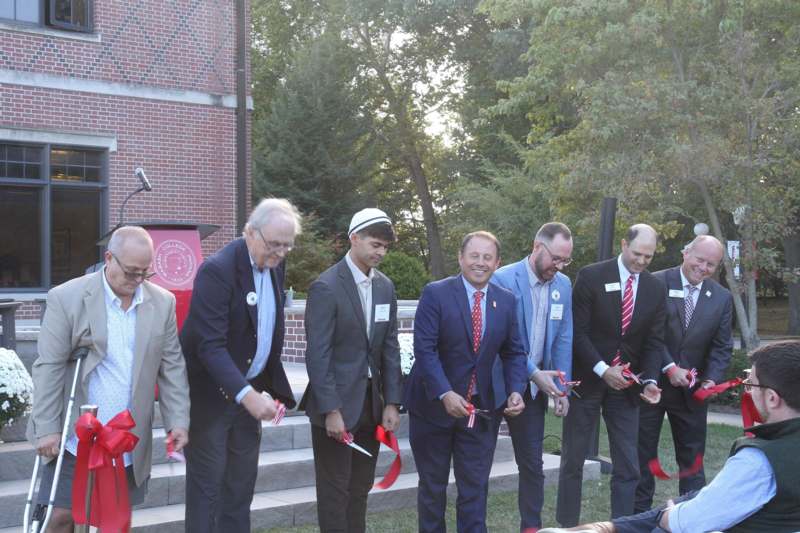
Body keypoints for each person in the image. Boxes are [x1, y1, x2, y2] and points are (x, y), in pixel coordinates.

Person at [541, 340, 800, 533]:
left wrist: (669, 515)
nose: (747, 392)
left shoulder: (759, 462)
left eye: (750, 385)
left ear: (772, 398)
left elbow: (684, 522)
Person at [28, 225, 190, 533]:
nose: (137, 280)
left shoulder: (162, 302)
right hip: (75, 434)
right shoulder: (66, 298)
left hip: (125, 436)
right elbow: (48, 365)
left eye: (145, 273)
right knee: (61, 516)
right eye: (131, 272)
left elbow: (172, 368)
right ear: (109, 259)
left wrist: (177, 420)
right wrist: (47, 427)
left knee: (114, 521)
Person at [181, 198, 301, 533]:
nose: (279, 253)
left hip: (250, 395)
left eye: (286, 246)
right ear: (249, 232)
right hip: (211, 400)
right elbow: (210, 346)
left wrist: (265, 388)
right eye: (273, 244)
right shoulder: (217, 271)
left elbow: (259, 333)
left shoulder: (275, 265)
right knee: (208, 494)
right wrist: (246, 394)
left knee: (239, 491)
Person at [404, 230, 529, 533]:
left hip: (480, 412)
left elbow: (514, 351)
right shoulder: (436, 293)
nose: (480, 263)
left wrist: (515, 390)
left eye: (488, 257)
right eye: (474, 255)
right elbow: (425, 349)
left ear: (497, 262)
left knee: (475, 490)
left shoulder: (507, 301)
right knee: (433, 489)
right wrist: (445, 392)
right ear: (461, 258)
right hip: (433, 410)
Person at [299, 208, 403, 533]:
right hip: (337, 409)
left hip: (371, 407)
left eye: (385, 247)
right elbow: (318, 355)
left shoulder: (385, 287)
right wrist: (331, 409)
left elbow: (389, 347)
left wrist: (392, 402)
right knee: (334, 492)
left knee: (360, 488)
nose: (380, 252)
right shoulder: (326, 286)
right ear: (354, 238)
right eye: (375, 244)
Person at [556, 224, 666, 526]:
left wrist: (652, 380)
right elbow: (577, 332)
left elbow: (655, 341)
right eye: (637, 253)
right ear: (623, 244)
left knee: (628, 464)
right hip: (588, 380)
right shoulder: (592, 276)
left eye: (649, 256)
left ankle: (622, 526)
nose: (642, 261)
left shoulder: (655, 288)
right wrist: (604, 370)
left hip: (627, 388)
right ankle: (566, 527)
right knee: (573, 460)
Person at [635, 235, 733, 512]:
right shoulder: (654, 282)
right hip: (652, 386)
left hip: (692, 393)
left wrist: (712, 379)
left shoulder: (722, 298)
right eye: (699, 259)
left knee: (692, 462)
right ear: (685, 253)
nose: (703, 268)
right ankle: (638, 518)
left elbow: (722, 346)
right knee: (642, 457)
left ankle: (691, 518)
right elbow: (646, 332)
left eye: (710, 264)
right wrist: (669, 367)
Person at [489, 222, 575, 532]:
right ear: (537, 247)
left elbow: (564, 336)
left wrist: (562, 389)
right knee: (479, 465)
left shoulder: (563, 285)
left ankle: (531, 528)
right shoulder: (502, 279)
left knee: (532, 466)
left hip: (535, 391)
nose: (560, 266)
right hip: (498, 385)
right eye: (556, 258)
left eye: (566, 261)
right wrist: (534, 373)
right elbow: (499, 341)